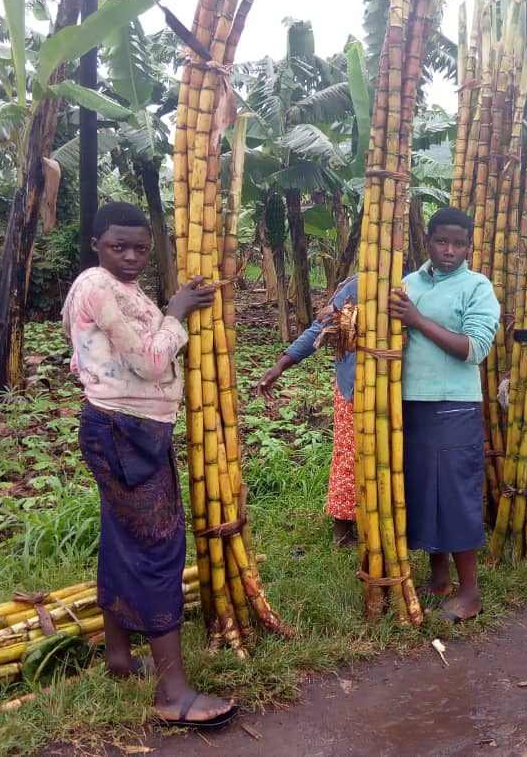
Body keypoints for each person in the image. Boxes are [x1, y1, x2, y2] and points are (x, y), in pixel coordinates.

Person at [62, 202, 237, 728]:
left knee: (122, 539)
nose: (132, 256)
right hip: (124, 432)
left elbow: (86, 357)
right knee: (157, 547)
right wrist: (177, 310)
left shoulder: (116, 288)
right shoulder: (98, 286)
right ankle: (172, 691)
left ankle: (119, 657)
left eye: (140, 247)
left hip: (125, 428)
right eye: (119, 246)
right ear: (96, 243)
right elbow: (150, 361)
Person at [388, 207, 499, 623]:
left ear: (469, 246)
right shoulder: (407, 284)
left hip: (453, 405)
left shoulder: (477, 287)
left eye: (458, 243)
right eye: (441, 241)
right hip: (409, 404)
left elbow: (474, 349)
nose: (449, 250)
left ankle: (470, 592)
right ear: (428, 240)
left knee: (453, 495)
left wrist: (416, 320)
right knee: (423, 493)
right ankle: (439, 581)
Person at [257, 276, 358, 546]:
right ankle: (343, 529)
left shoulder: (410, 283)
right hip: (354, 385)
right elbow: (320, 328)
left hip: (397, 387)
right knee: (349, 455)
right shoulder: (356, 286)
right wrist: (280, 366)